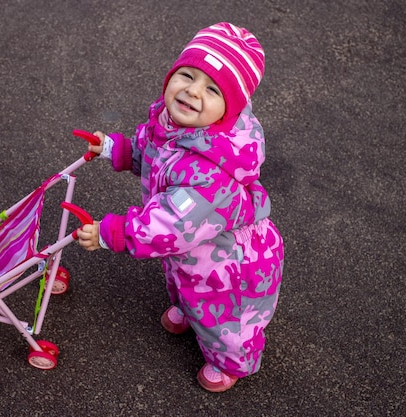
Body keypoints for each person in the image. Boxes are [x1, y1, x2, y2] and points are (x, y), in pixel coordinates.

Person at [77, 22, 284, 393]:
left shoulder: (211, 174)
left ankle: (232, 361)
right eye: (186, 75)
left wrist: (116, 233)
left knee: (226, 319)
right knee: (182, 280)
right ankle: (190, 311)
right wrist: (118, 150)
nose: (191, 91)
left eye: (212, 89)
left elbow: (173, 225)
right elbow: (153, 154)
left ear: (229, 108)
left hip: (227, 266)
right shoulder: (173, 125)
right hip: (191, 254)